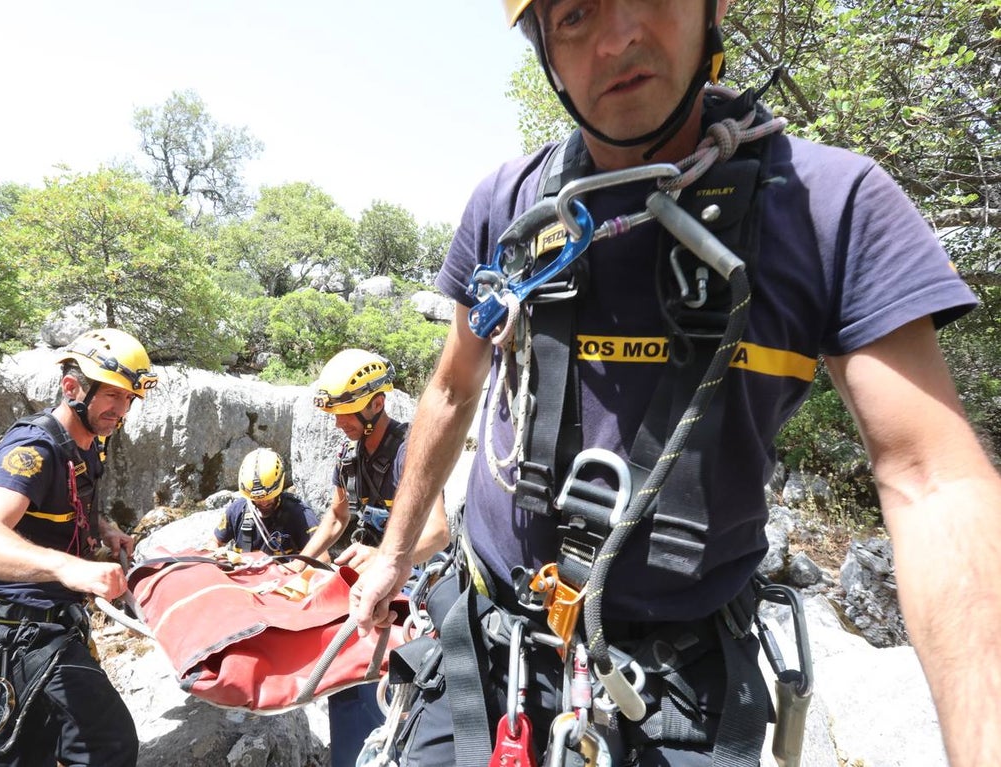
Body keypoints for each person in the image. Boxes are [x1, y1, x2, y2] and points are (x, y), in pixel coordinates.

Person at [349, 2, 1001, 767]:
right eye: (575, 15)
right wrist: (394, 555)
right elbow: (455, 388)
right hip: (492, 652)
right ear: (545, 53)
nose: (619, 37)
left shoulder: (831, 210)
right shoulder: (512, 209)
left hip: (679, 686)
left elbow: (931, 478)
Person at [0, 327, 157, 767]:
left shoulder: (86, 446)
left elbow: (68, 505)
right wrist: (69, 569)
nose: (121, 409)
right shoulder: (34, 449)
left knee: (40, 751)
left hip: (46, 625)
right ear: (72, 387)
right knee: (108, 746)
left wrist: (105, 530)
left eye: (129, 399)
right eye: (113, 396)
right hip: (13, 631)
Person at [300, 348, 450, 767]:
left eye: (346, 413)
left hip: (417, 580)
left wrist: (386, 557)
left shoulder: (411, 452)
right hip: (373, 575)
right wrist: (300, 562)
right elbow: (335, 517)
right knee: (343, 673)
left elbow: (438, 532)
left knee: (388, 678)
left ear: (377, 404)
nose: (338, 423)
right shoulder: (349, 456)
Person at [213, 447, 318, 556]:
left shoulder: (300, 514)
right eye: (257, 499)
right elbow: (214, 542)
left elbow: (322, 558)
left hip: (287, 571)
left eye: (268, 497)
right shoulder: (236, 510)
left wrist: (294, 567)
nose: (263, 502)